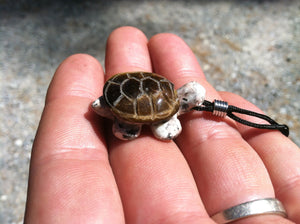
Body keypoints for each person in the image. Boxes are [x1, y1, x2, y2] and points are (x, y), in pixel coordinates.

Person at [24, 26, 300, 224]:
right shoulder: (170, 111)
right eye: (192, 97)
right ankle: (126, 124)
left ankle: (125, 123)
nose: (195, 98)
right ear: (184, 101)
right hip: (125, 106)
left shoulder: (173, 104)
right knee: (147, 129)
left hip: (122, 93)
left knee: (153, 127)